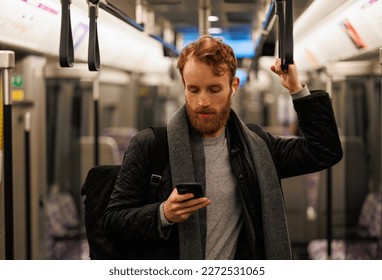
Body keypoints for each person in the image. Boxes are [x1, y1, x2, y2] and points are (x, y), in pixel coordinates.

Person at [104, 35, 343, 260]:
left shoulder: (257, 148)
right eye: (193, 89)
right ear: (184, 87)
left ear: (233, 86)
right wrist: (163, 214)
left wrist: (296, 89)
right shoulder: (151, 146)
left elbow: (323, 151)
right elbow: (113, 222)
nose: (203, 101)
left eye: (214, 89)